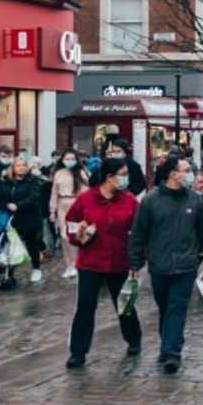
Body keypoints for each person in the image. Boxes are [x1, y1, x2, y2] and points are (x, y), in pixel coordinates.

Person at [128, 154, 203, 375]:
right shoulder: (151, 200)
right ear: (172, 174)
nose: (190, 174)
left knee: (177, 308)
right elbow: (139, 233)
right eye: (186, 170)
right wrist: (134, 263)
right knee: (165, 308)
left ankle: (172, 353)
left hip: (186, 265)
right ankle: (167, 343)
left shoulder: (196, 201)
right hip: (159, 265)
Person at [63, 156, 142, 369]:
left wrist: (136, 261)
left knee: (124, 304)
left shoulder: (129, 201)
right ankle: (78, 351)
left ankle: (134, 338)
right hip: (91, 262)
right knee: (85, 306)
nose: (126, 179)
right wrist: (79, 234)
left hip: (120, 262)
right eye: (123, 175)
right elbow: (71, 223)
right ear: (109, 177)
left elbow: (139, 231)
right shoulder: (86, 199)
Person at [0, 156, 47, 285]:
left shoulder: (32, 180)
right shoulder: (7, 181)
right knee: (11, 245)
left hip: (30, 218)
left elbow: (33, 197)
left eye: (23, 165)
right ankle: (8, 273)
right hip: (12, 219)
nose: (21, 168)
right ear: (13, 168)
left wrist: (18, 205)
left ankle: (36, 269)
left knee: (31, 244)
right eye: (18, 165)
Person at [50, 148, 89, 280]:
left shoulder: (81, 173)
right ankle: (69, 265)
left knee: (74, 235)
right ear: (62, 160)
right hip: (62, 204)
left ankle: (77, 263)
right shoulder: (58, 173)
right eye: (67, 159)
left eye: (72, 159)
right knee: (64, 236)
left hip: (76, 204)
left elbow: (86, 192)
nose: (70, 161)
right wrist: (52, 210)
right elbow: (54, 193)